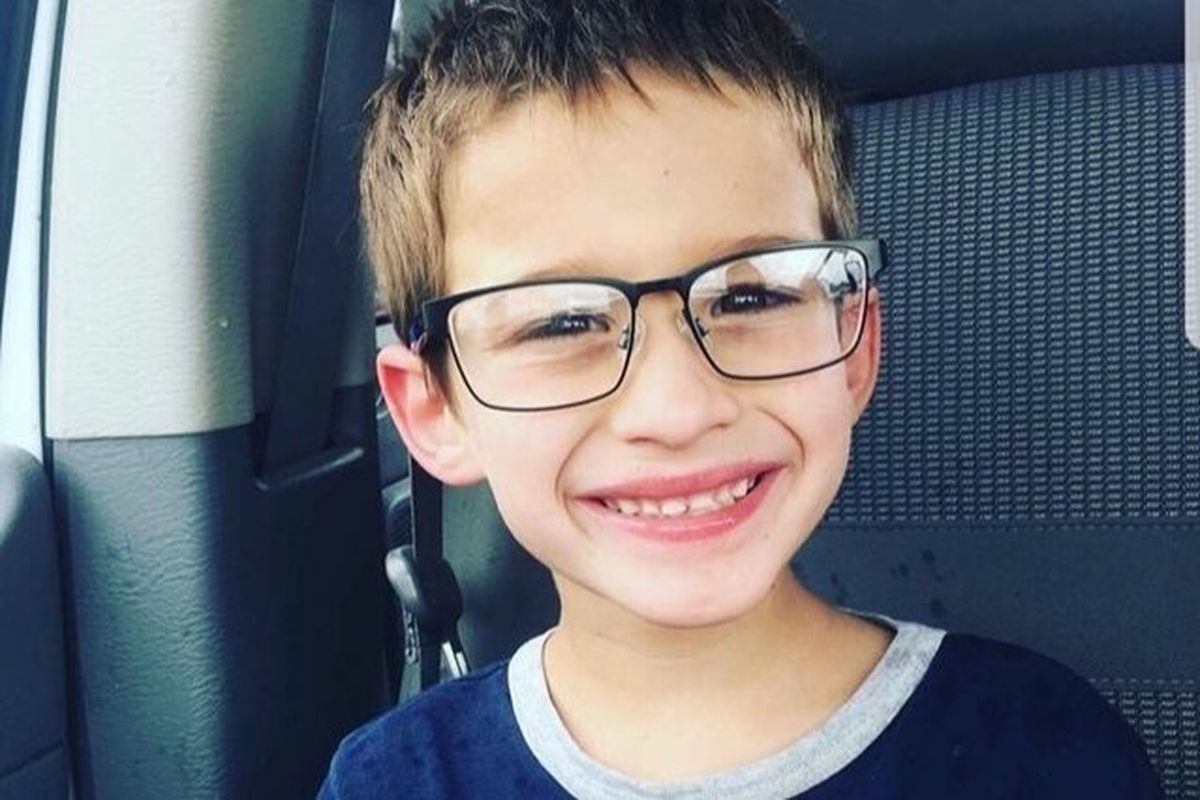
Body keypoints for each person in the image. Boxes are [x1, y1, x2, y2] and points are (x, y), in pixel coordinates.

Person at [320, 1, 1162, 797]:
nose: (678, 410)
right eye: (561, 322)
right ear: (433, 409)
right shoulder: (393, 781)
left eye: (752, 297)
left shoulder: (1044, 754)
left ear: (854, 344)